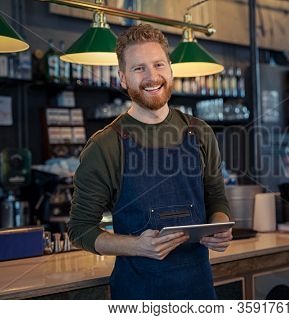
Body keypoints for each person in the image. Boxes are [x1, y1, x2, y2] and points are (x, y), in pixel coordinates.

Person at [68, 23, 232, 300]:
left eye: (158, 65)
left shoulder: (200, 132)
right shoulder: (105, 145)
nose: (152, 76)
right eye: (138, 68)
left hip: (200, 292)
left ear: (170, 69)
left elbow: (216, 197)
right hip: (138, 295)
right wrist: (137, 246)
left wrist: (220, 226)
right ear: (122, 79)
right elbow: (80, 229)